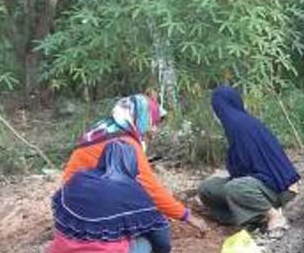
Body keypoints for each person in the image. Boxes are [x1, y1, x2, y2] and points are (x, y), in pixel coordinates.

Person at [62, 93, 208, 236]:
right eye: (153, 123)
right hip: (90, 211)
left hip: (70, 203)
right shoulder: (125, 144)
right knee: (155, 225)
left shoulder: (104, 130)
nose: (155, 130)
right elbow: (150, 188)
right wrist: (188, 217)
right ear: (140, 119)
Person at [46, 141, 171, 253]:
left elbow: (57, 211)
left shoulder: (77, 180)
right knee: (149, 237)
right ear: (133, 163)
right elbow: (162, 238)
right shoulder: (133, 192)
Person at [198, 86, 301, 234]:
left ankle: (274, 216)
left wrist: (235, 177)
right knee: (207, 189)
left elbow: (252, 168)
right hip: (259, 180)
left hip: (280, 186)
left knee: (235, 187)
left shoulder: (242, 126)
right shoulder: (234, 126)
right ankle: (251, 219)